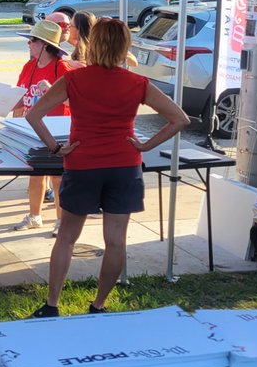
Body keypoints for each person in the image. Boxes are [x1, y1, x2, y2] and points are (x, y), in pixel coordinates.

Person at [27, 19, 189, 317]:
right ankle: (98, 305)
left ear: (93, 43)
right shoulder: (137, 83)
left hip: (82, 162)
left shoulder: (75, 80)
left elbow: (34, 115)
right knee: (115, 241)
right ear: (125, 46)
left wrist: (55, 148)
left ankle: (52, 305)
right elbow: (180, 118)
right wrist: (145, 146)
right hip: (124, 166)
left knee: (66, 236)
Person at [0, 19, 73, 235]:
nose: (28, 44)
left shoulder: (62, 67)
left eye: (32, 41)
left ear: (44, 45)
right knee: (35, 175)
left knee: (58, 178)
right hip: (31, 130)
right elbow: (22, 97)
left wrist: (52, 90)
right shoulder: (28, 66)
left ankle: (61, 221)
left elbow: (75, 101)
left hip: (56, 130)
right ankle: (35, 216)